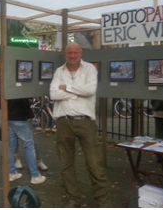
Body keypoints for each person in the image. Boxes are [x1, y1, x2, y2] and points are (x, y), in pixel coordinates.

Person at [49, 42, 111, 208]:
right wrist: (77, 92)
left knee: (94, 163)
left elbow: (90, 90)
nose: (72, 56)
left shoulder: (90, 69)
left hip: (85, 122)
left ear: (81, 53)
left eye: (75, 53)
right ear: (65, 54)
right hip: (63, 121)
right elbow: (53, 93)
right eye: (69, 53)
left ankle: (102, 200)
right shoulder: (59, 71)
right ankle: (73, 198)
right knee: (66, 164)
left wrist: (67, 88)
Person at [7, 98, 46, 184]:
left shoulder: (7, 88)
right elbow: (25, 106)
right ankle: (35, 175)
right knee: (29, 147)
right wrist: (29, 115)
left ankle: (11, 172)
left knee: (10, 147)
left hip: (9, 120)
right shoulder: (21, 91)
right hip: (21, 120)